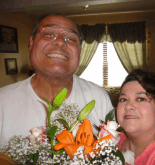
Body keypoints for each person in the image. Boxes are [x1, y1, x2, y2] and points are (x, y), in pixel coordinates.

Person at [0, 14, 113, 148]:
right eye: (48, 34)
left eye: (70, 38)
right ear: (31, 43)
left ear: (80, 52)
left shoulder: (99, 97)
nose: (60, 41)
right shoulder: (3, 101)